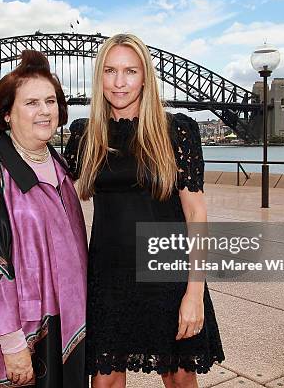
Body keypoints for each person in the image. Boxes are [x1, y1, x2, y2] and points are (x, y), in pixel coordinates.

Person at [63, 34, 225, 388]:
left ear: (145, 77)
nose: (119, 82)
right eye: (110, 71)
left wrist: (194, 294)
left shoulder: (176, 131)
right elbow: (56, 198)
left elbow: (197, 215)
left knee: (180, 378)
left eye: (130, 71)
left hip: (166, 274)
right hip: (108, 275)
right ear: (99, 77)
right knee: (104, 383)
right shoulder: (85, 134)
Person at [0, 50, 87, 387]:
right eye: (31, 103)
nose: (44, 111)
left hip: (68, 325)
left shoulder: (58, 164)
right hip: (26, 334)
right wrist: (12, 343)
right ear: (7, 114)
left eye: (50, 101)